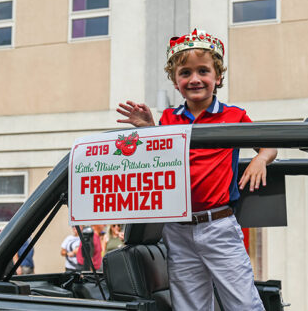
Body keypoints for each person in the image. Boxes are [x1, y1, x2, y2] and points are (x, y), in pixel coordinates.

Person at [116, 28, 277, 310]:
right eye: (185, 73)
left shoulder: (234, 116)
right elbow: (157, 158)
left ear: (217, 77)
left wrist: (261, 159)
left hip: (218, 225)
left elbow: (270, 145)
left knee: (243, 302)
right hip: (177, 229)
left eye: (203, 71)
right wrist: (148, 129)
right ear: (175, 81)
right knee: (190, 304)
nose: (194, 79)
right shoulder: (168, 119)